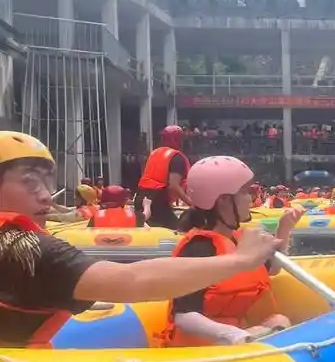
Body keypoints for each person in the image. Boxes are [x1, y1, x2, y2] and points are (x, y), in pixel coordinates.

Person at [0, 131, 279, 348]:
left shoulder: (42, 241)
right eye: (30, 182)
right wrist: (242, 260)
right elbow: (130, 280)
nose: (47, 196)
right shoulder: (23, 247)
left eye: (47, 183)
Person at [163, 156, 302, 347]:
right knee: (268, 328)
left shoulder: (238, 239)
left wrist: (284, 229)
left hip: (232, 336)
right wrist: (233, 334)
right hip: (200, 347)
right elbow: (183, 316)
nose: (250, 198)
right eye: (245, 192)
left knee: (278, 320)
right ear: (224, 200)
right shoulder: (198, 248)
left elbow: (272, 269)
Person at [135, 125, 191, 230]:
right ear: (178, 140)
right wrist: (191, 203)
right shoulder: (177, 158)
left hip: (141, 197)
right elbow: (173, 186)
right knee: (178, 230)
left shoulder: (154, 153)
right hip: (157, 200)